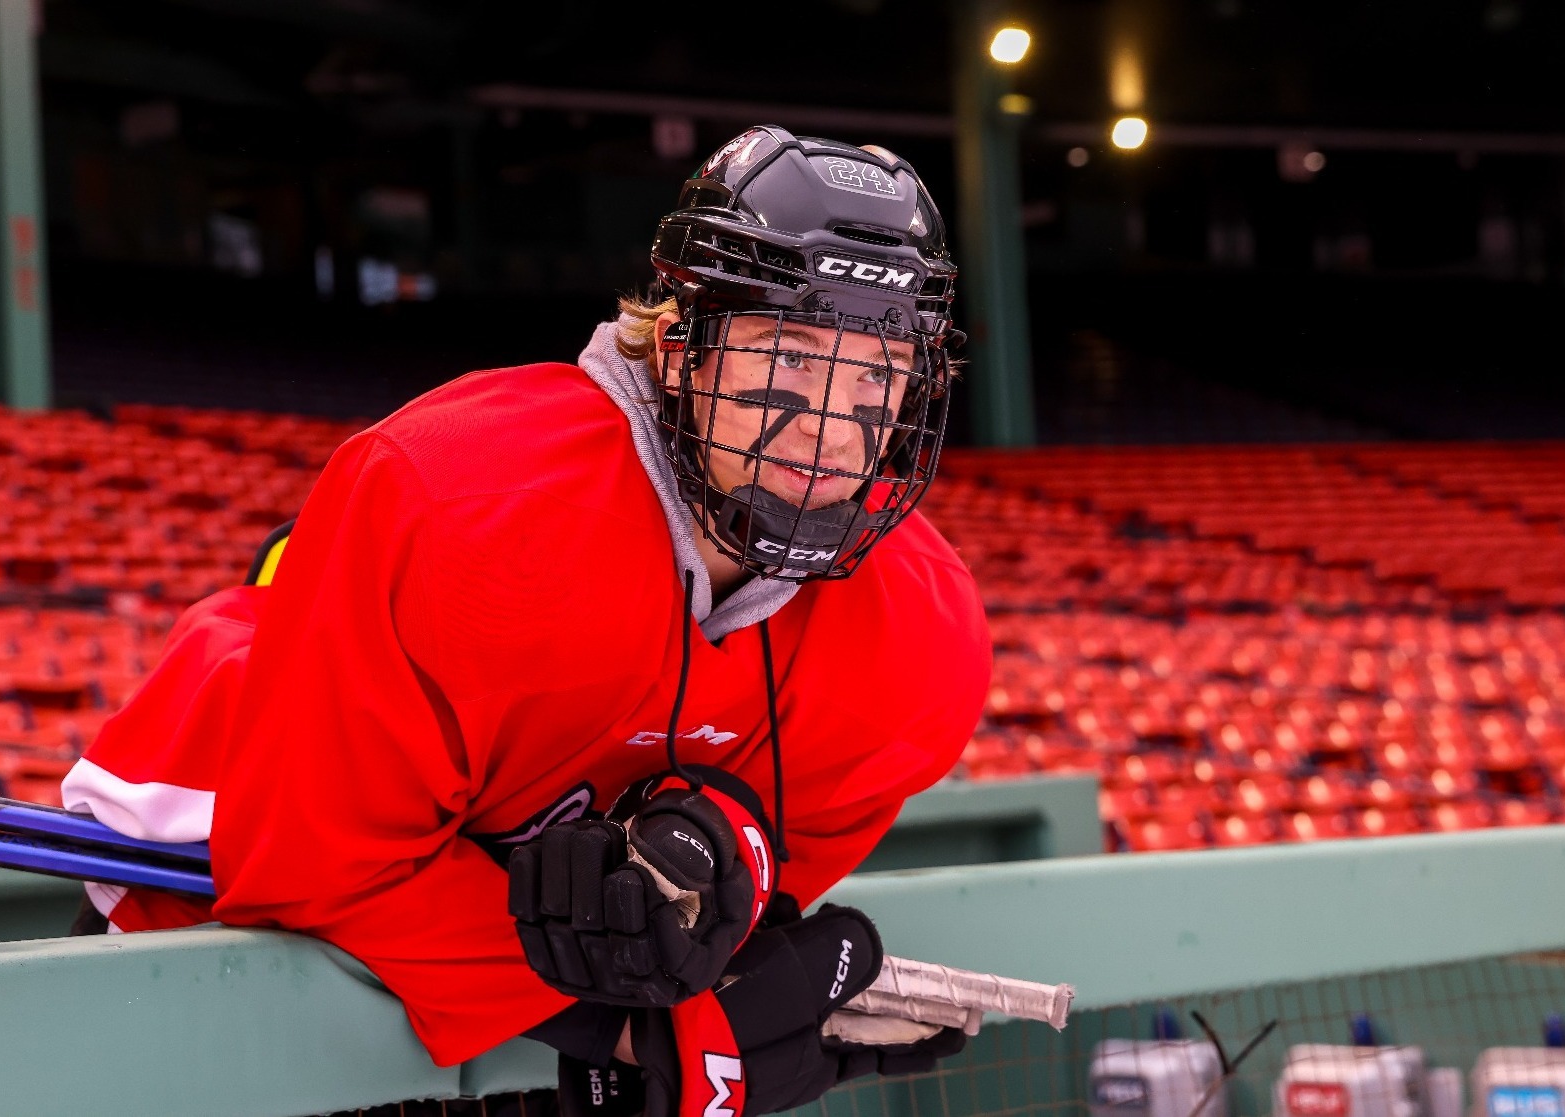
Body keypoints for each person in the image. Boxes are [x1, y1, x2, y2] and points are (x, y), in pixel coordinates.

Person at [61, 125, 991, 1117]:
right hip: (208, 924)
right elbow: (313, 864)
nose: (833, 423)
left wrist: (714, 862)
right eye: (794, 355)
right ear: (682, 345)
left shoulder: (922, 633)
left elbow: (770, 858)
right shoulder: (462, 507)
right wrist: (637, 1028)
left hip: (482, 990)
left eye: (877, 374)